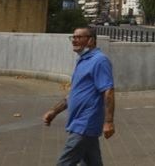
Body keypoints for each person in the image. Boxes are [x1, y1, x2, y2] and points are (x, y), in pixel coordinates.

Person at [43, 27, 116, 166]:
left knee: (64, 162)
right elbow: (75, 94)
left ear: (91, 40)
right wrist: (54, 111)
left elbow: (108, 91)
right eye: (73, 37)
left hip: (85, 123)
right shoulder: (82, 60)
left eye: (79, 37)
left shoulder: (100, 61)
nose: (74, 40)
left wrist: (109, 121)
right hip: (79, 122)